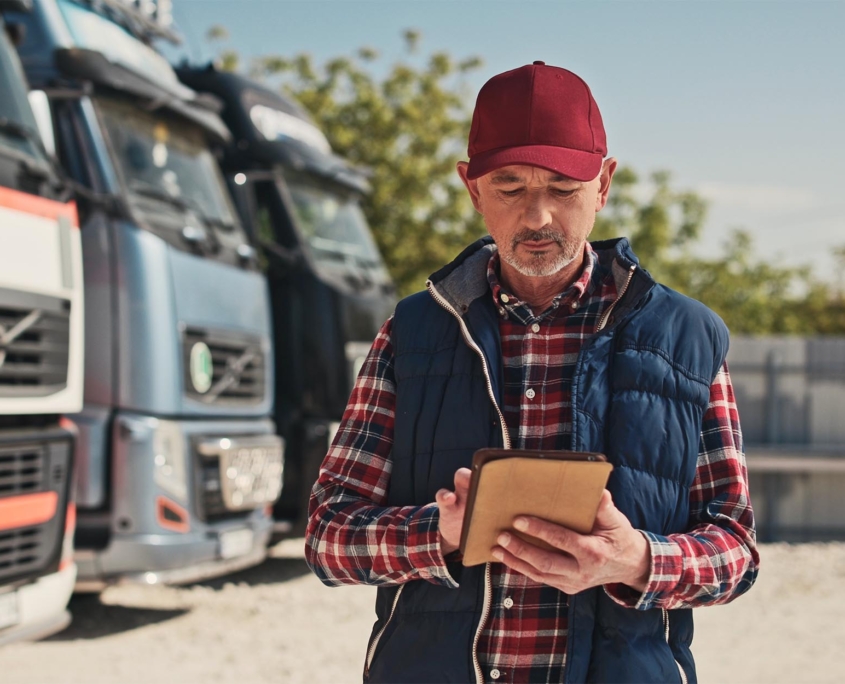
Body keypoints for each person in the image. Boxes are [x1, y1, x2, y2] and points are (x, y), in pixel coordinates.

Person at [305, 61, 759, 684]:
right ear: (471, 187)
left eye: (564, 188)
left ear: (604, 184)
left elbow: (736, 550)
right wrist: (438, 532)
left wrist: (635, 561)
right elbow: (328, 536)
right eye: (511, 187)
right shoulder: (410, 333)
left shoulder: (687, 338)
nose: (538, 215)